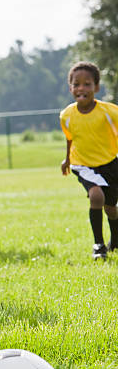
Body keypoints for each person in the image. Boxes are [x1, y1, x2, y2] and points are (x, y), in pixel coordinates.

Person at [60, 61, 118, 260]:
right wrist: (67, 160)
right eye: (76, 84)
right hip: (83, 165)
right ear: (70, 88)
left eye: (87, 84)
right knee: (96, 197)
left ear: (97, 87)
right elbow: (70, 138)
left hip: (110, 164)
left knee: (111, 208)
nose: (81, 88)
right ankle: (98, 245)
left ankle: (115, 240)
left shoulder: (110, 112)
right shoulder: (67, 115)